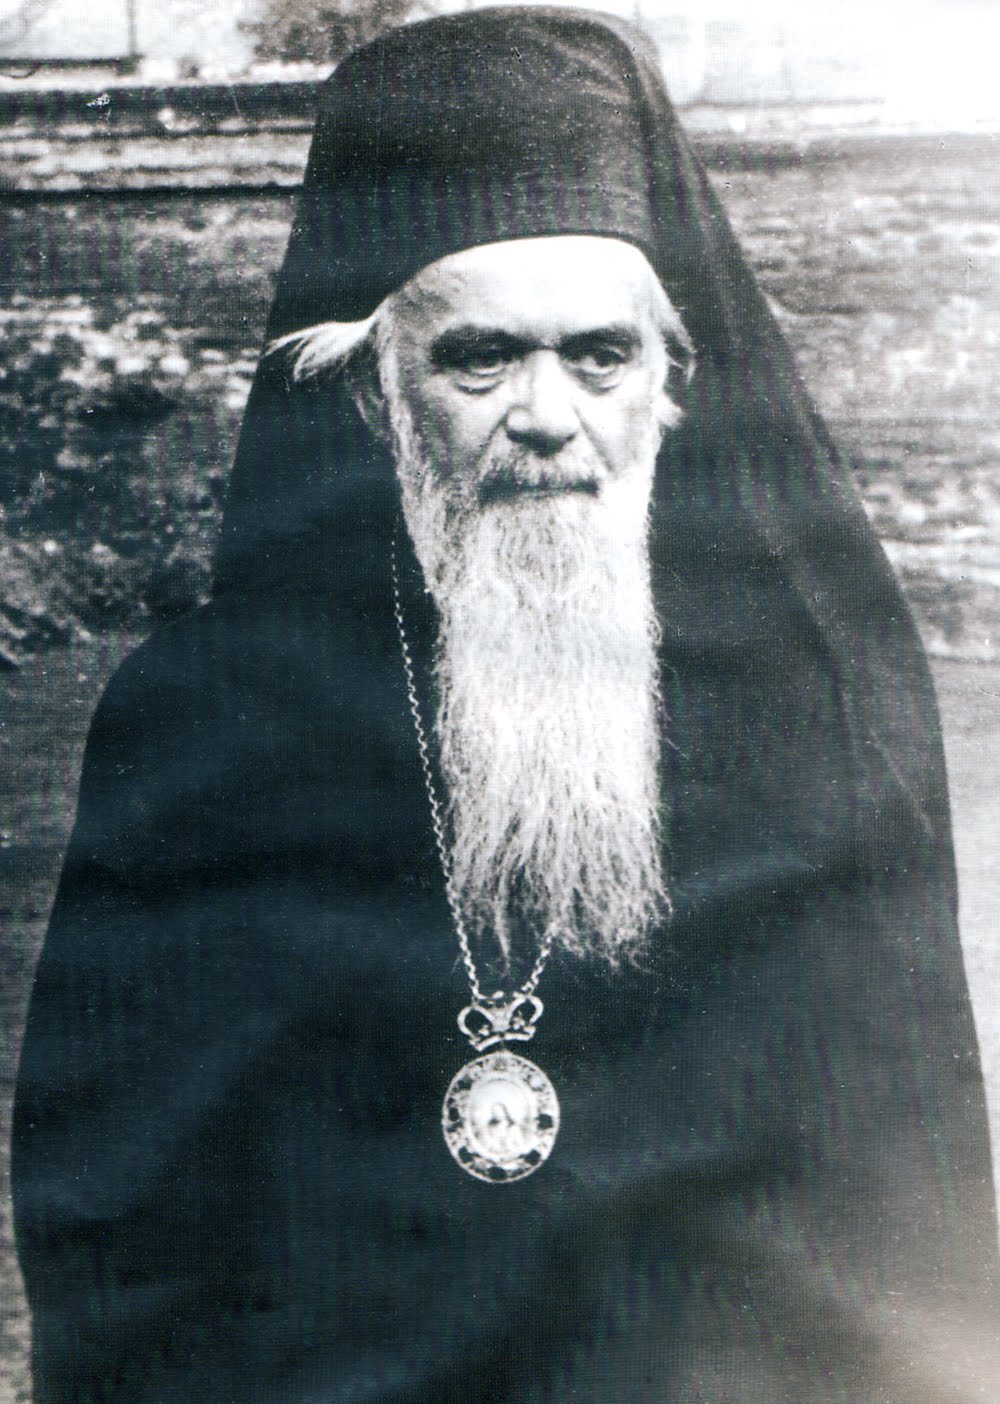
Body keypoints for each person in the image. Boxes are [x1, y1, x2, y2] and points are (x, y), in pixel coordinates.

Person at [12, 8, 1000, 1402]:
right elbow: (123, 1222)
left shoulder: (805, 720)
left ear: (671, 388)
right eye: (480, 358)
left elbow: (892, 1214)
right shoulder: (198, 721)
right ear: (375, 393)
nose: (549, 415)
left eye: (601, 356)